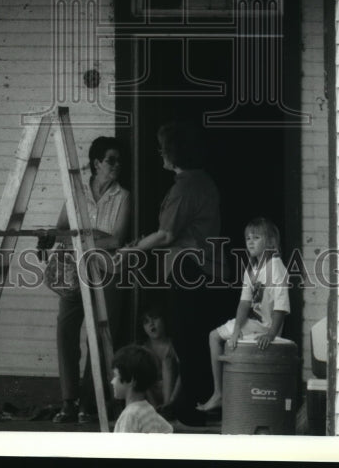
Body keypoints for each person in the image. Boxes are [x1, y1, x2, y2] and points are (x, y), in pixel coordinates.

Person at [115, 119, 222, 425]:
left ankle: (191, 410)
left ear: (176, 153)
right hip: (199, 268)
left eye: (163, 148)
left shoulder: (186, 186)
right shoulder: (199, 182)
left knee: (188, 342)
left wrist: (130, 251)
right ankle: (188, 406)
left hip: (191, 269)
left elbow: (165, 235)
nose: (160, 153)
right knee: (190, 340)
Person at [37, 136, 131, 424]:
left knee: (99, 337)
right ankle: (69, 400)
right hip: (74, 272)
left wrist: (82, 237)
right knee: (66, 332)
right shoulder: (76, 193)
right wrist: (50, 238)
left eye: (119, 160)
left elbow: (117, 238)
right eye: (111, 160)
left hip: (106, 274)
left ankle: (89, 405)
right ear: (96, 163)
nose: (116, 165)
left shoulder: (123, 196)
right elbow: (62, 228)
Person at [196, 217, 290, 413]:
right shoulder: (252, 269)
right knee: (216, 336)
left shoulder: (276, 267)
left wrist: (272, 334)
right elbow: (244, 303)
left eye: (256, 237)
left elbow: (281, 306)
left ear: (271, 242)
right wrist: (237, 328)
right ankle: (220, 393)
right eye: (248, 238)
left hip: (266, 326)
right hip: (252, 323)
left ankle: (221, 394)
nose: (250, 242)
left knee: (216, 338)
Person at [110, 346, 173, 434]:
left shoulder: (130, 416)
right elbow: (168, 430)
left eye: (116, 376)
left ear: (131, 380)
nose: (112, 382)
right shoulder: (148, 409)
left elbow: (124, 447)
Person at [140, 299, 181, 415]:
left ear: (164, 320)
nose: (151, 324)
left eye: (155, 318)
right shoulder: (144, 348)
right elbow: (142, 381)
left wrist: (172, 400)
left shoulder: (173, 345)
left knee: (167, 362)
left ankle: (167, 407)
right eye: (146, 322)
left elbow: (184, 374)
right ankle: (157, 410)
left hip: (173, 393)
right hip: (151, 397)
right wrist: (153, 405)